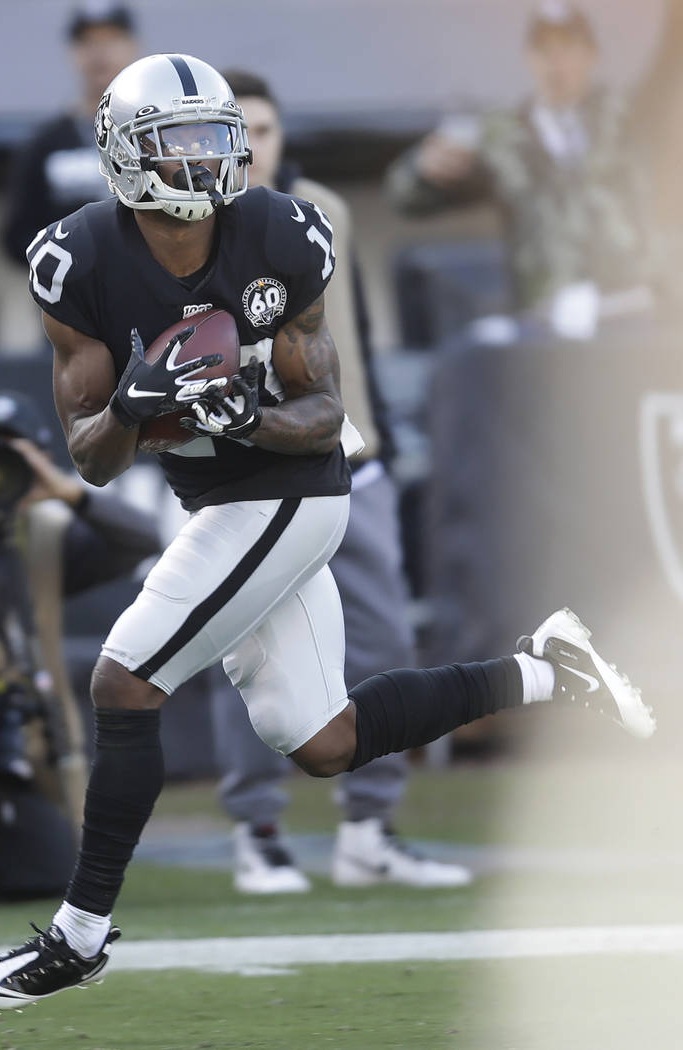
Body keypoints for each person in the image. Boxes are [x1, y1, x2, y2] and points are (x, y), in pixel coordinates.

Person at [0, 53, 654, 1011]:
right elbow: (90, 457)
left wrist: (233, 412)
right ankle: (547, 666)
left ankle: (78, 938)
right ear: (127, 156)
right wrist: (135, 403)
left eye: (215, 137)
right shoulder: (76, 260)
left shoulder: (281, 234)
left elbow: (324, 412)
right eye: (181, 142)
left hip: (296, 490)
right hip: (218, 504)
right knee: (323, 740)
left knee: (123, 675)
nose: (206, 161)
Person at [211, 69, 469, 892]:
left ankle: (369, 829)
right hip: (248, 476)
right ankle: (257, 831)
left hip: (350, 460)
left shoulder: (327, 209)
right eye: (238, 131)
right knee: (246, 653)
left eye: (268, 129)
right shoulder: (195, 224)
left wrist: (382, 446)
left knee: (386, 639)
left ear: (286, 136)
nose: (255, 146)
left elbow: (352, 329)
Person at [0, 389, 160, 903]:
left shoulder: (46, 534)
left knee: (48, 872)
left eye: (18, 458)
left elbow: (143, 541)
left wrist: (70, 493)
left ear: (41, 462)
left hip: (7, 748)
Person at [385, 2, 655, 315]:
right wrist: (421, 169)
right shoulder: (503, 137)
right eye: (544, 50)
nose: (556, 63)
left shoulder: (632, 122)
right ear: (529, 58)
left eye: (567, 48)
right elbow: (405, 197)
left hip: (634, 305)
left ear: (591, 54)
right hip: (550, 313)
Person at [0, 2, 140, 267]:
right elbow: (17, 235)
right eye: (88, 42)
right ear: (72, 53)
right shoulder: (44, 144)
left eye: (111, 40)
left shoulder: (156, 135)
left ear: (133, 46)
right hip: (72, 297)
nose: (100, 53)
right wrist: (72, 261)